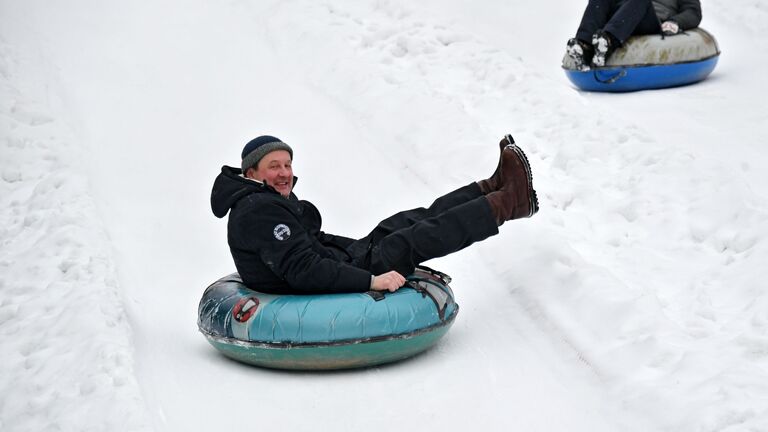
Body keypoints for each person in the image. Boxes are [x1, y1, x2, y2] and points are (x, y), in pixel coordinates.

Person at [211, 134, 539, 295]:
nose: (284, 173)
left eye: (287, 164)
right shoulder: (259, 212)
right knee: (415, 239)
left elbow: (312, 243)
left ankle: (491, 187)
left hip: (340, 261)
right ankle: (509, 203)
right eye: (274, 166)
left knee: (400, 224)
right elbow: (303, 270)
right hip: (317, 285)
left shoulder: (266, 200)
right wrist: (370, 278)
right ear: (251, 172)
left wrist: (359, 247)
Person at [566, 0, 702, 70]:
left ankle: (608, 42)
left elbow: (693, 11)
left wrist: (675, 22)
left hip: (651, 21)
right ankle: (584, 45)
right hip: (624, 17)